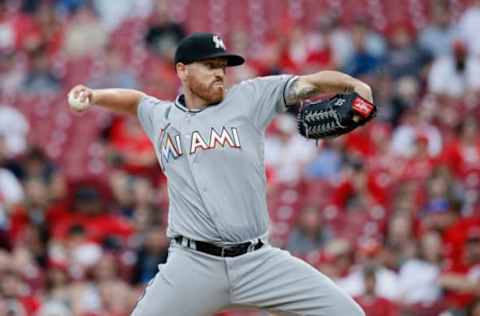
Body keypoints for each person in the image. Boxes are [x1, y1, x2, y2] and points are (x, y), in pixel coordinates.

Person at [67, 32, 372, 316]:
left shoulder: (250, 97)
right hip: (193, 264)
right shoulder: (161, 116)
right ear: (182, 70)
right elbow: (134, 100)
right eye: (210, 65)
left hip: (257, 260)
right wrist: (94, 95)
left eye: (222, 66)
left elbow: (310, 84)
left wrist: (355, 87)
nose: (219, 73)